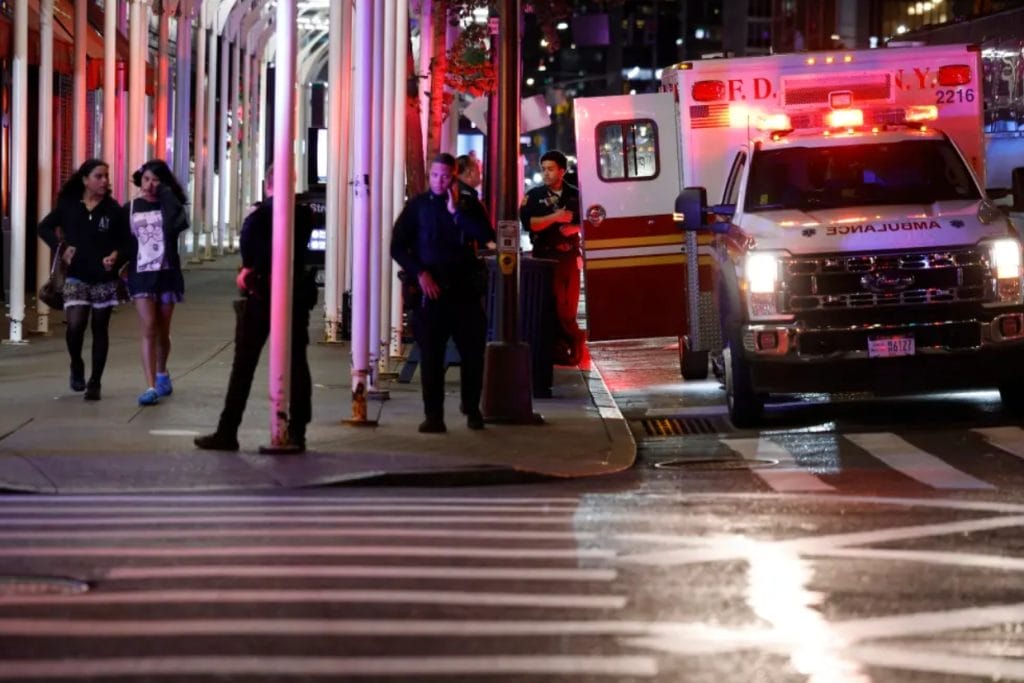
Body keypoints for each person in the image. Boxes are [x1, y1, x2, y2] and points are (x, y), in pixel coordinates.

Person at [194, 165, 316, 452]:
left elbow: (251, 253)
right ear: (293, 183)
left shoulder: (259, 216)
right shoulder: (304, 215)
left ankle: (228, 430)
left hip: (262, 297)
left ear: (267, 183)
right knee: (297, 362)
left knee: (244, 365)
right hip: (295, 295)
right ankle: (297, 430)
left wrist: (248, 271)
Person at [391, 153, 495, 433]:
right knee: (431, 357)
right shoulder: (417, 207)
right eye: (435, 176)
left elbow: (486, 234)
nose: (439, 181)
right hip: (432, 292)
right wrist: (419, 273)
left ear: (454, 177)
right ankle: (433, 416)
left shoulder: (469, 205)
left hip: (464, 292)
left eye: (445, 176)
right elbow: (397, 246)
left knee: (472, 354)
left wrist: (455, 213)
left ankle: (472, 408)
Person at [37, 159, 130, 401]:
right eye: (98, 176)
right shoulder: (69, 206)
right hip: (76, 275)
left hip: (104, 278)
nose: (104, 181)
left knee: (100, 328)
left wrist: (116, 255)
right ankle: (76, 364)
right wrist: (61, 247)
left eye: (106, 176)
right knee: (76, 326)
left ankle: (95, 382)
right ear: (85, 179)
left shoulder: (113, 209)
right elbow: (44, 227)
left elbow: (127, 241)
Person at [123, 159, 189, 406]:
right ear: (140, 179)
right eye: (147, 178)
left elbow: (179, 224)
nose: (150, 184)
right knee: (148, 327)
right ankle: (150, 386)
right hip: (140, 274)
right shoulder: (130, 208)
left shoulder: (169, 205)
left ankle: (162, 372)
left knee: (163, 330)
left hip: (167, 273)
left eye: (156, 180)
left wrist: (166, 194)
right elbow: (123, 240)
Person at [519, 149, 583, 364]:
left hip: (569, 257)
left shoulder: (576, 194)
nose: (546, 173)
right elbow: (530, 223)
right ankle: (554, 348)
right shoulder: (534, 196)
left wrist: (574, 229)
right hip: (544, 258)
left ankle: (572, 347)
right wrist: (555, 217)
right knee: (550, 305)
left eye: (551, 169)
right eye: (543, 169)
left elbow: (588, 221)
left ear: (562, 171)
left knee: (569, 306)